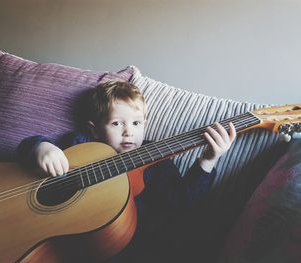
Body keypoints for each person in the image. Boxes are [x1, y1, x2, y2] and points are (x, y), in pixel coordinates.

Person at [17, 80, 236, 262]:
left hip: (128, 246)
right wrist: (41, 147)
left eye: (136, 123)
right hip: (64, 237)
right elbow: (27, 150)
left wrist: (208, 159)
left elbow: (182, 200)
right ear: (95, 129)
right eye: (116, 124)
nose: (128, 132)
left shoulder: (156, 157)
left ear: (145, 124)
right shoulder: (80, 144)